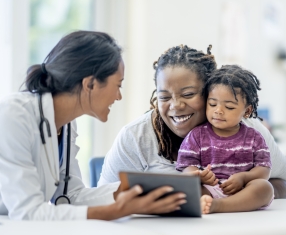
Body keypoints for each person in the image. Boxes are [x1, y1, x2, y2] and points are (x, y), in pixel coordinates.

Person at [0, 31, 186, 220]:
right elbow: (28, 213)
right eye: (118, 85)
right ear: (90, 84)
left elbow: (70, 196)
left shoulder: (66, 125)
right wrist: (115, 211)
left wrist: (134, 189)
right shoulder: (13, 115)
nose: (118, 96)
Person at [99, 45, 286, 200]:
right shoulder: (135, 137)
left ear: (211, 90)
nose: (175, 105)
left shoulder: (247, 129)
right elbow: (105, 196)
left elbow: (283, 183)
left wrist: (239, 194)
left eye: (188, 94)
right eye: (164, 97)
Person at [176, 65, 274, 214]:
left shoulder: (254, 137)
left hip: (243, 191)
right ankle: (209, 203)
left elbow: (264, 169)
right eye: (212, 104)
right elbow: (186, 167)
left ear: (247, 111)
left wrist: (243, 177)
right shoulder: (196, 136)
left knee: (265, 188)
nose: (218, 110)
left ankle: (219, 206)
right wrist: (199, 176)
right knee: (187, 187)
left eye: (229, 107)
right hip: (208, 190)